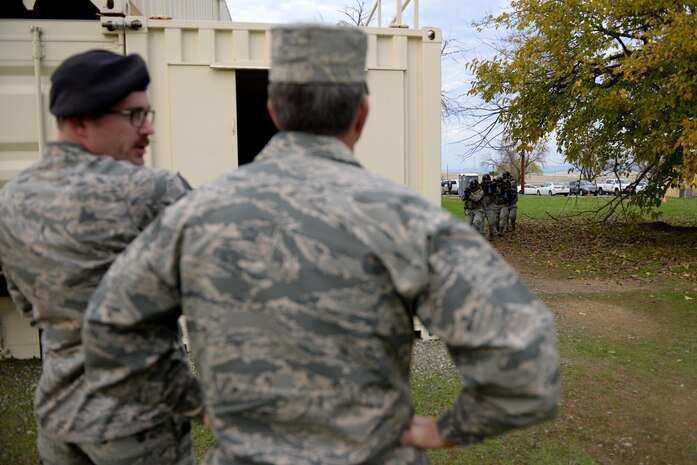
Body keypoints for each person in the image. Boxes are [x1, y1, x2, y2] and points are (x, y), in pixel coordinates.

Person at [82, 25, 560, 465]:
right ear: (363, 112)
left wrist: (197, 403)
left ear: (273, 110)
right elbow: (525, 358)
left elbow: (108, 329)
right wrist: (446, 430)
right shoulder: (406, 220)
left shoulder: (192, 216)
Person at [0, 49, 201, 465]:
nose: (148, 130)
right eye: (133, 117)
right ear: (79, 122)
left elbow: (30, 307)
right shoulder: (155, 192)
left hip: (59, 417)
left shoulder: (10, 200)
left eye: (148, 114)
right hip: (138, 424)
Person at [481, 174, 500, 239]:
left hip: (490, 206)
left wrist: (494, 188)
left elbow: (499, 192)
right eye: (485, 181)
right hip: (481, 206)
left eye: (488, 181)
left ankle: (491, 234)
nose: (487, 183)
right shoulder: (480, 186)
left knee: (492, 222)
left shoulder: (492, 186)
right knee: (480, 222)